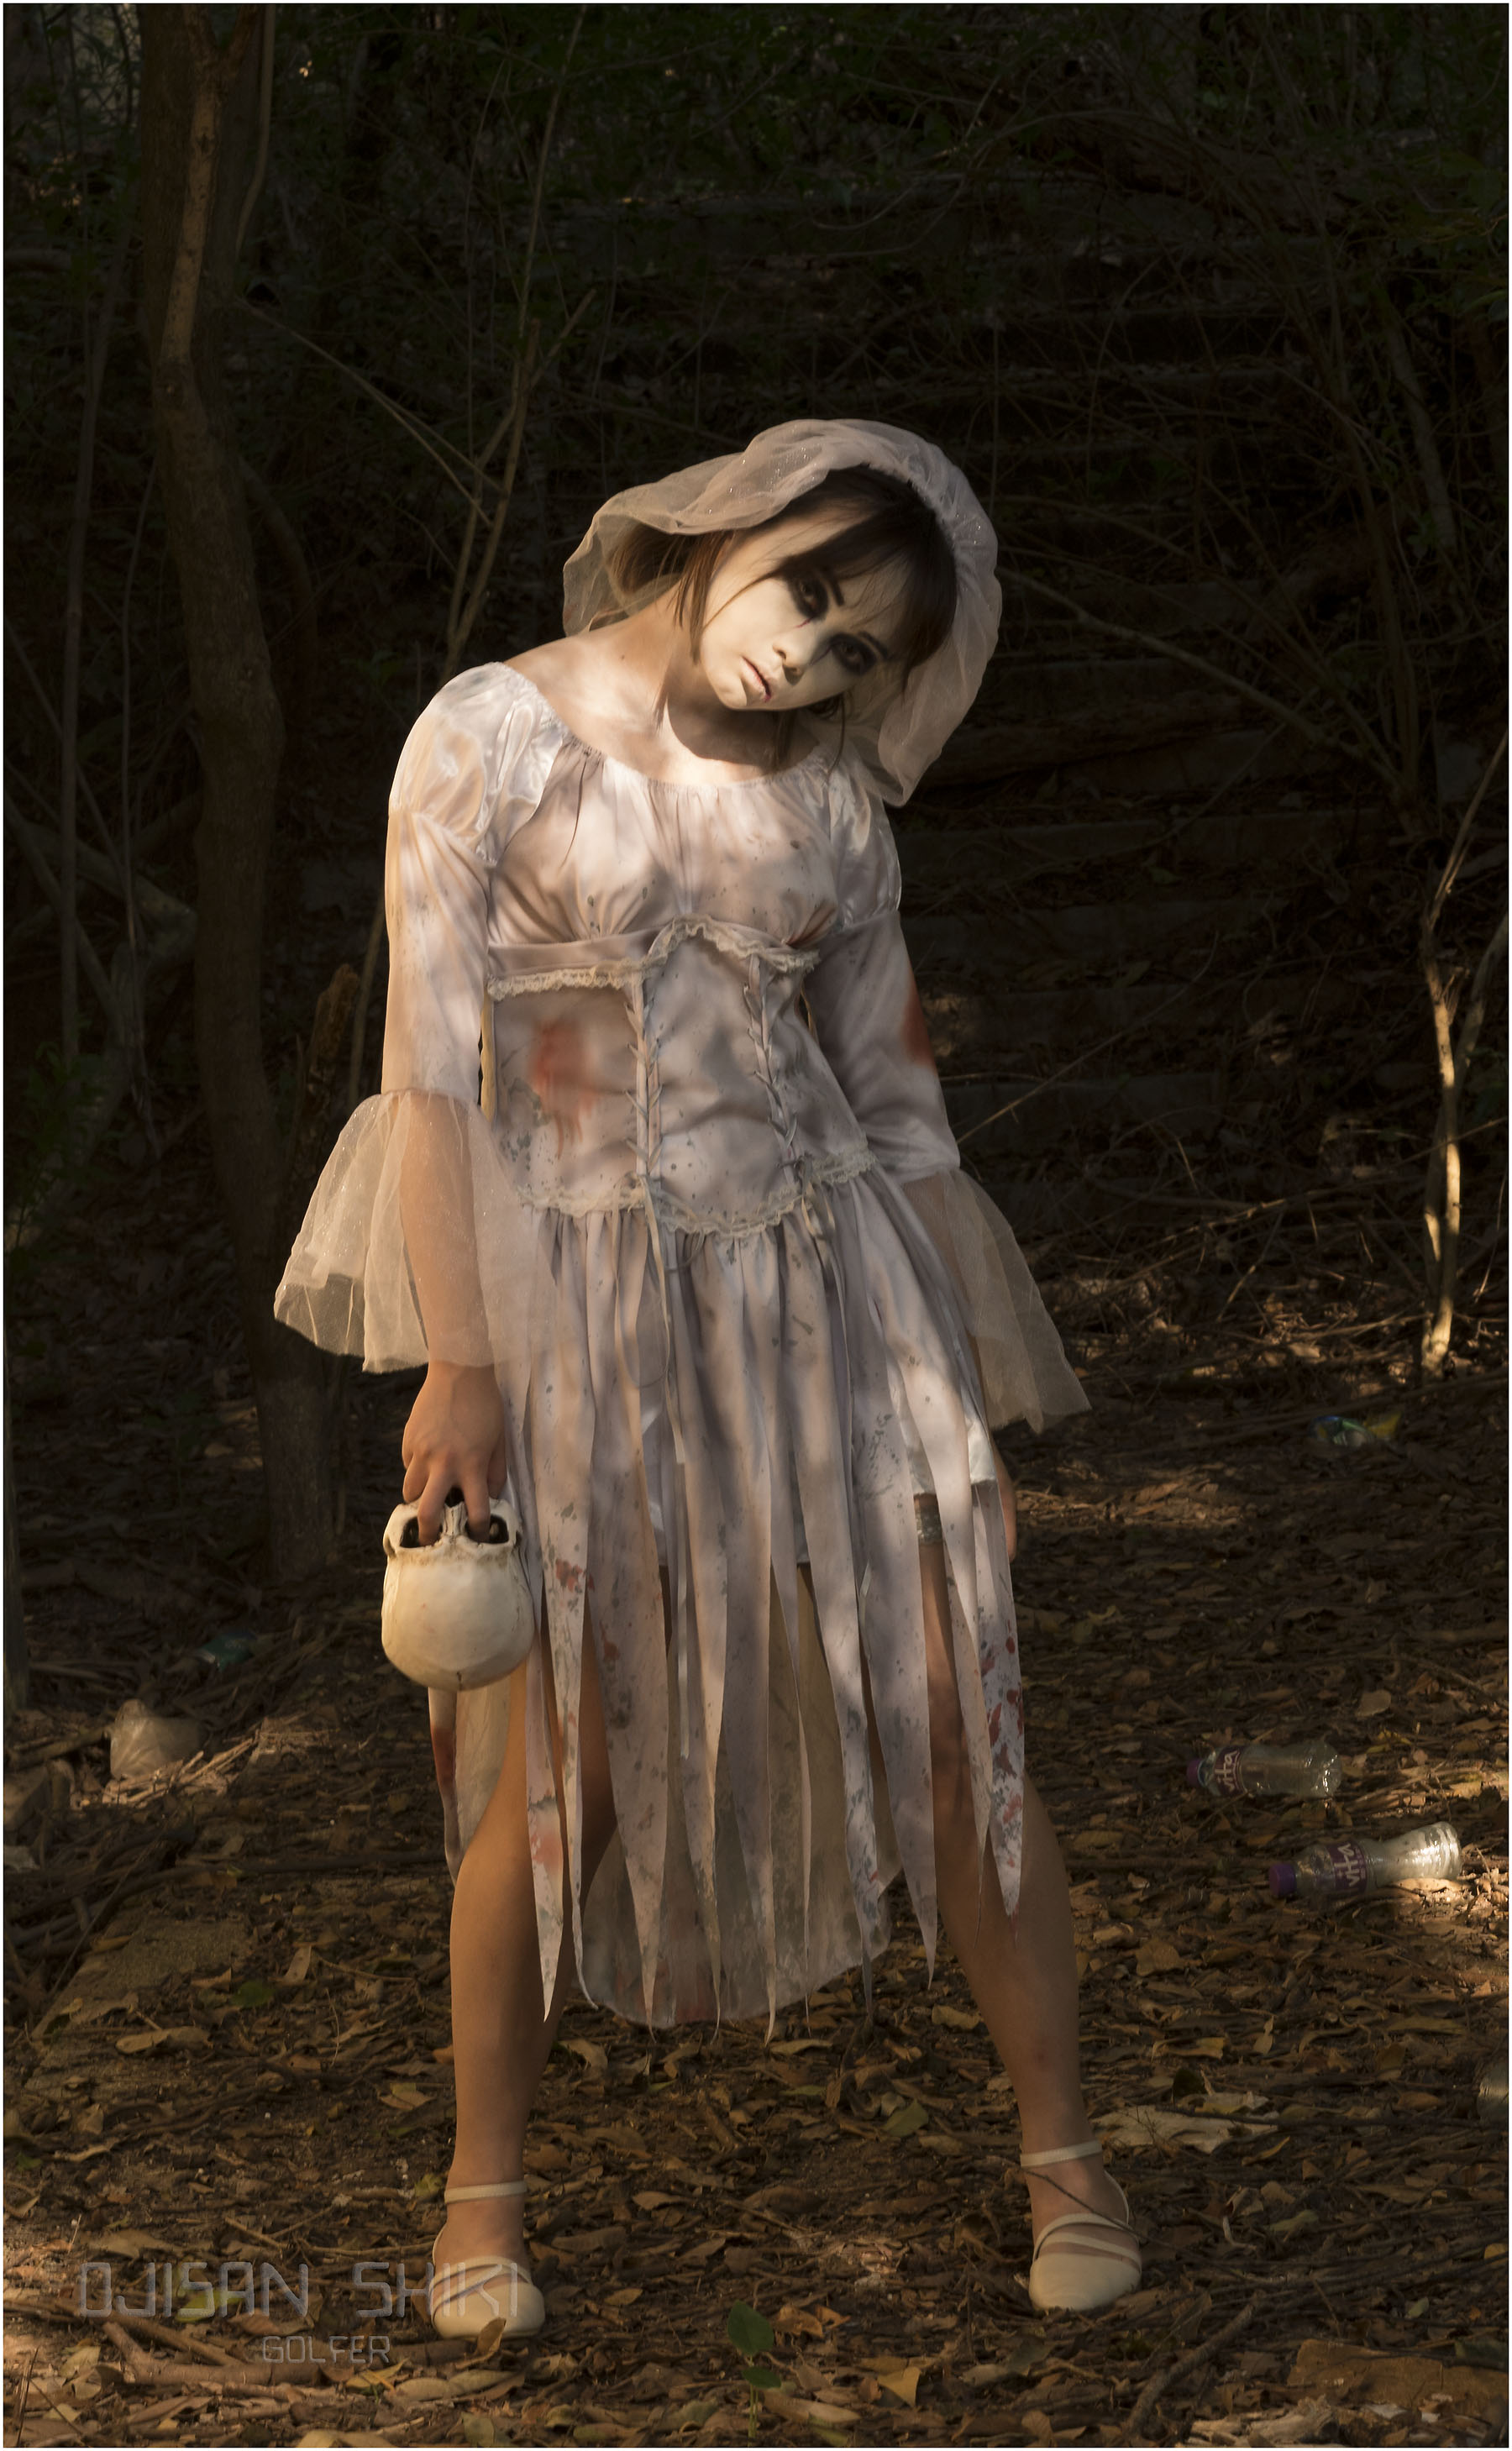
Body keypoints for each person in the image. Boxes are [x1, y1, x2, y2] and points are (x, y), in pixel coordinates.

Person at [276, 419, 1142, 2337]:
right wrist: (463, 1362)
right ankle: (482, 2199)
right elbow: (430, 1074)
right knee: (554, 1758)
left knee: (958, 1717)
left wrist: (958, 1384)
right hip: (576, 1307)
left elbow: (896, 1101)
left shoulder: (829, 803)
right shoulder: (489, 736)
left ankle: (1067, 2154)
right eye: (810, 590)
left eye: (858, 650)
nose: (807, 654)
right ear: (733, 521)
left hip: (834, 1294)